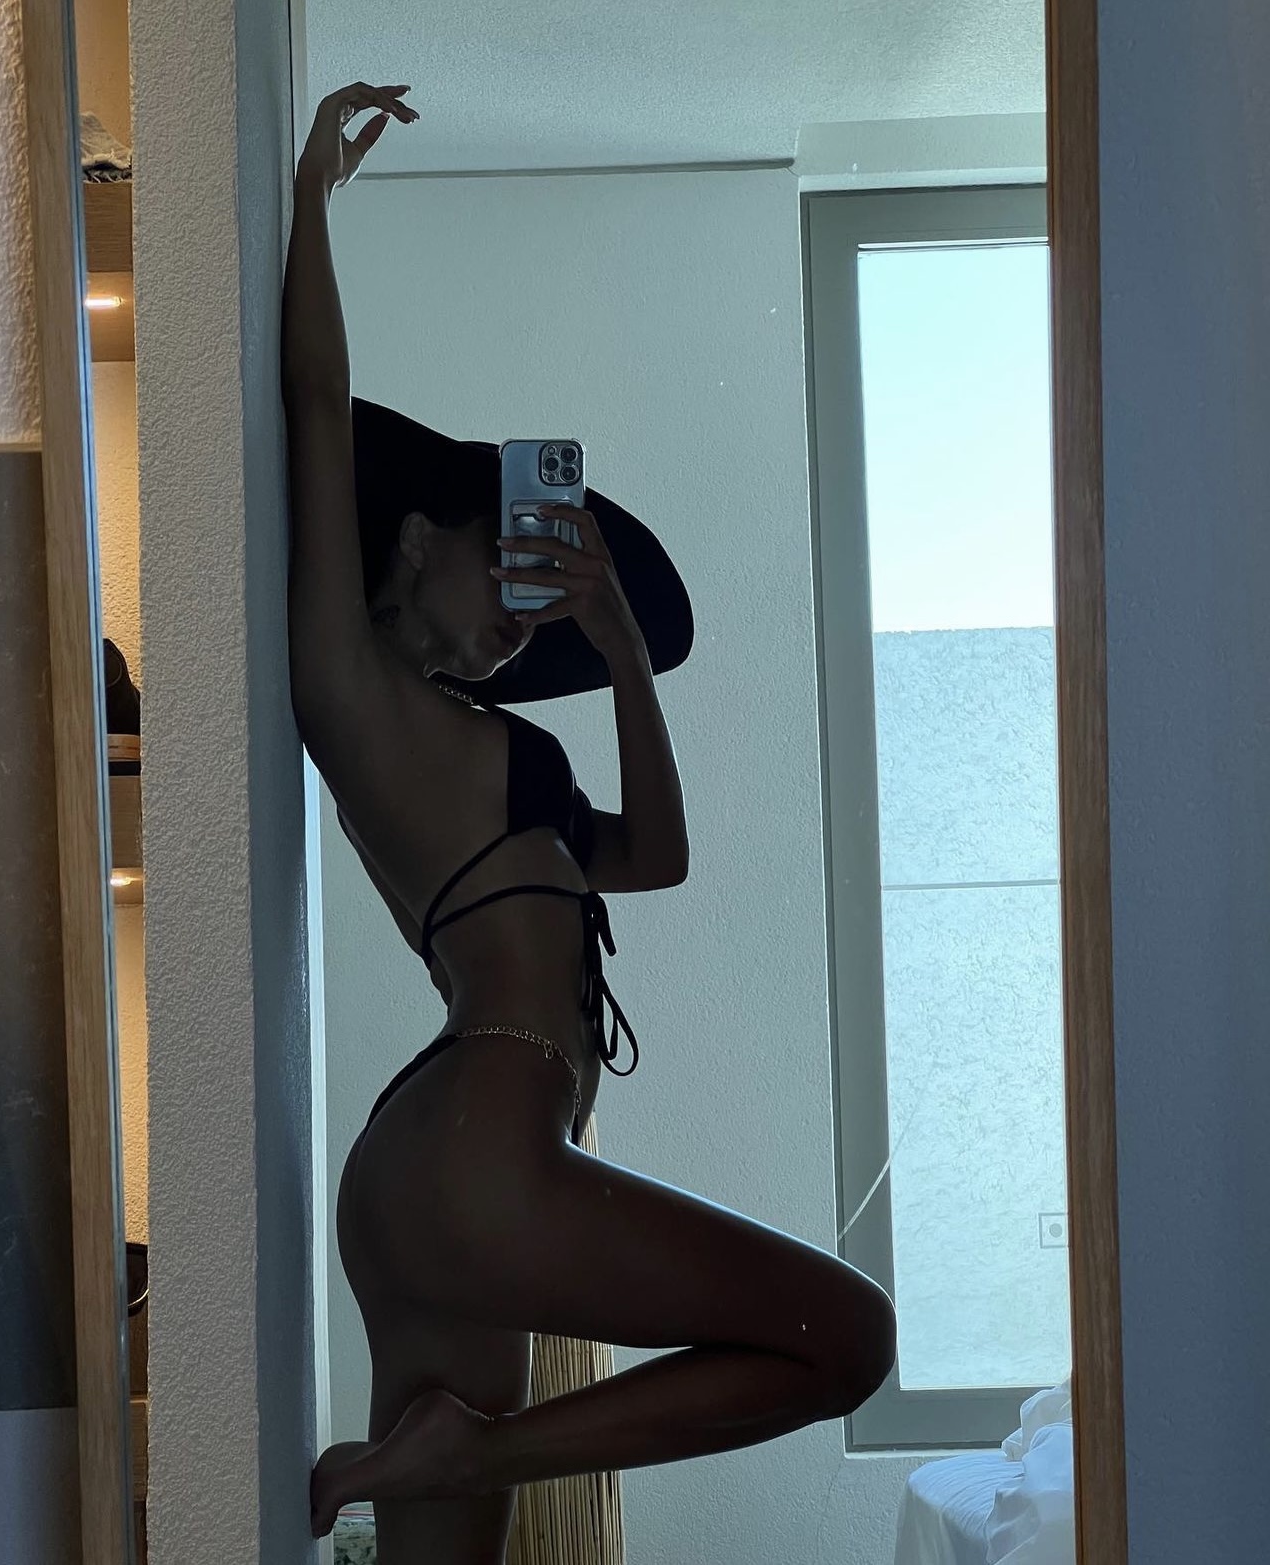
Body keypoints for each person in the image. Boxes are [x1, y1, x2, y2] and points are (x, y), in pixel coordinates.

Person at [283, 77, 897, 1563]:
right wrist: (307, 197)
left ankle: (454, 1453)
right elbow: (314, 405)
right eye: (501, 567)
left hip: (447, 1171)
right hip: (473, 1152)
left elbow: (660, 856)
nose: (519, 620)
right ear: (413, 540)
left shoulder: (510, 762)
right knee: (845, 1338)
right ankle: (475, 1446)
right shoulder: (354, 691)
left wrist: (620, 653)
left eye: (538, 598)